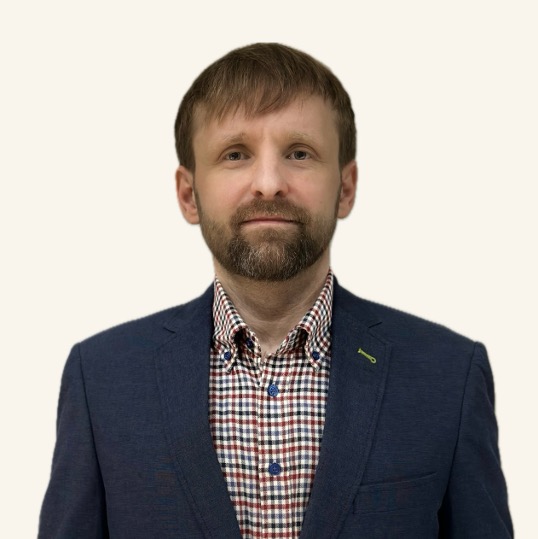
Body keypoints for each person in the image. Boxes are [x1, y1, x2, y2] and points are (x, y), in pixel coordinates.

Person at [39, 43, 512, 538]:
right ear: (188, 194)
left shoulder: (450, 376)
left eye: (299, 153)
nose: (268, 183)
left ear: (346, 187)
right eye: (235, 154)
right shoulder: (101, 379)